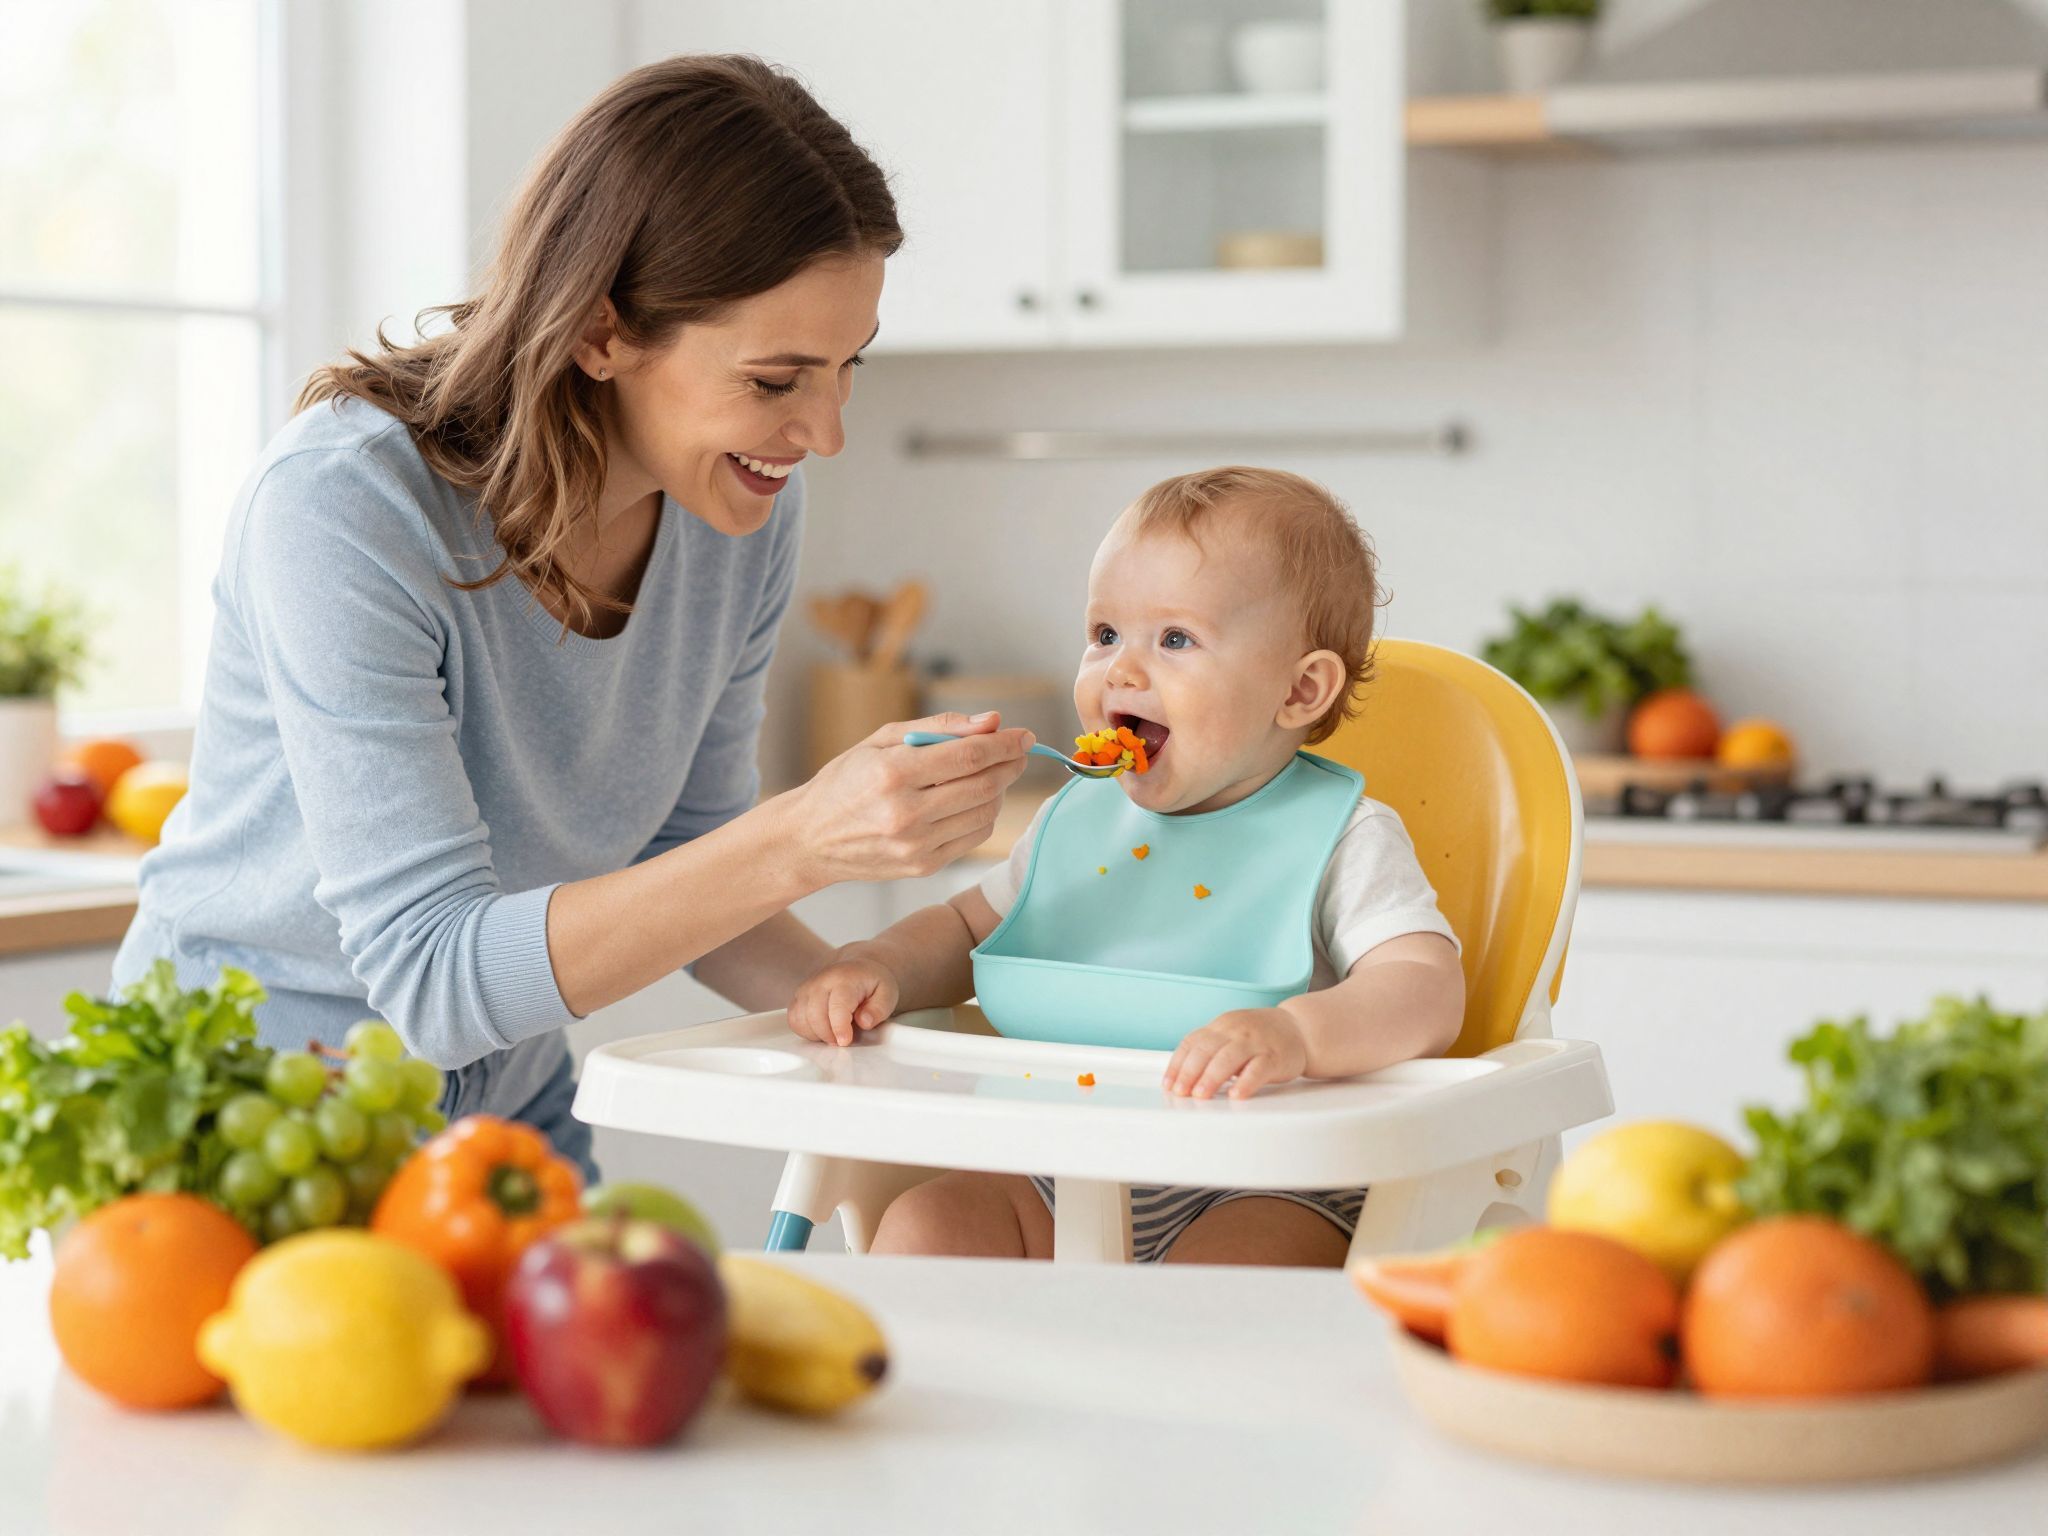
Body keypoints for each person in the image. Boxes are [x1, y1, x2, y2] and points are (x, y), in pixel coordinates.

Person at [111, 56, 1032, 1181]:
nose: (824, 432)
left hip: (504, 1100)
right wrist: (799, 838)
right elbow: (436, 976)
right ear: (601, 334)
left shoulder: (731, 512)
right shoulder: (346, 505)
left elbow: (683, 855)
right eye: (775, 378)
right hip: (255, 1109)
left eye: (847, 367)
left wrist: (864, 1002)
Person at [786, 467, 1465, 1264]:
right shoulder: (1073, 818)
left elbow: (1425, 990)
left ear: (1300, 689)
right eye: (1105, 635)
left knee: (1224, 1281)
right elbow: (967, 927)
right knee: (926, 1226)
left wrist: (1296, 1034)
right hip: (1061, 1165)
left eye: (1174, 640)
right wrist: (878, 966)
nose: (1122, 671)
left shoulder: (1345, 836)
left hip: (1267, 1181)